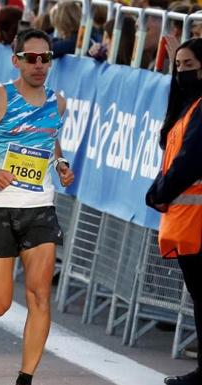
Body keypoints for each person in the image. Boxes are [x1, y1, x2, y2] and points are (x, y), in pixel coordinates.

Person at [0, 29, 74, 385]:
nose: (40, 65)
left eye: (45, 58)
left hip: (39, 206)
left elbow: (50, 142)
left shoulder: (58, 102)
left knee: (40, 295)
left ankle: (25, 378)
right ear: (17, 61)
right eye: (32, 58)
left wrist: (60, 165)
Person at [146, 38, 202, 385]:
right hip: (187, 221)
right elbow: (173, 149)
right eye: (177, 65)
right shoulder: (189, 105)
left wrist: (160, 191)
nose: (181, 72)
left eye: (188, 65)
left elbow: (190, 159)